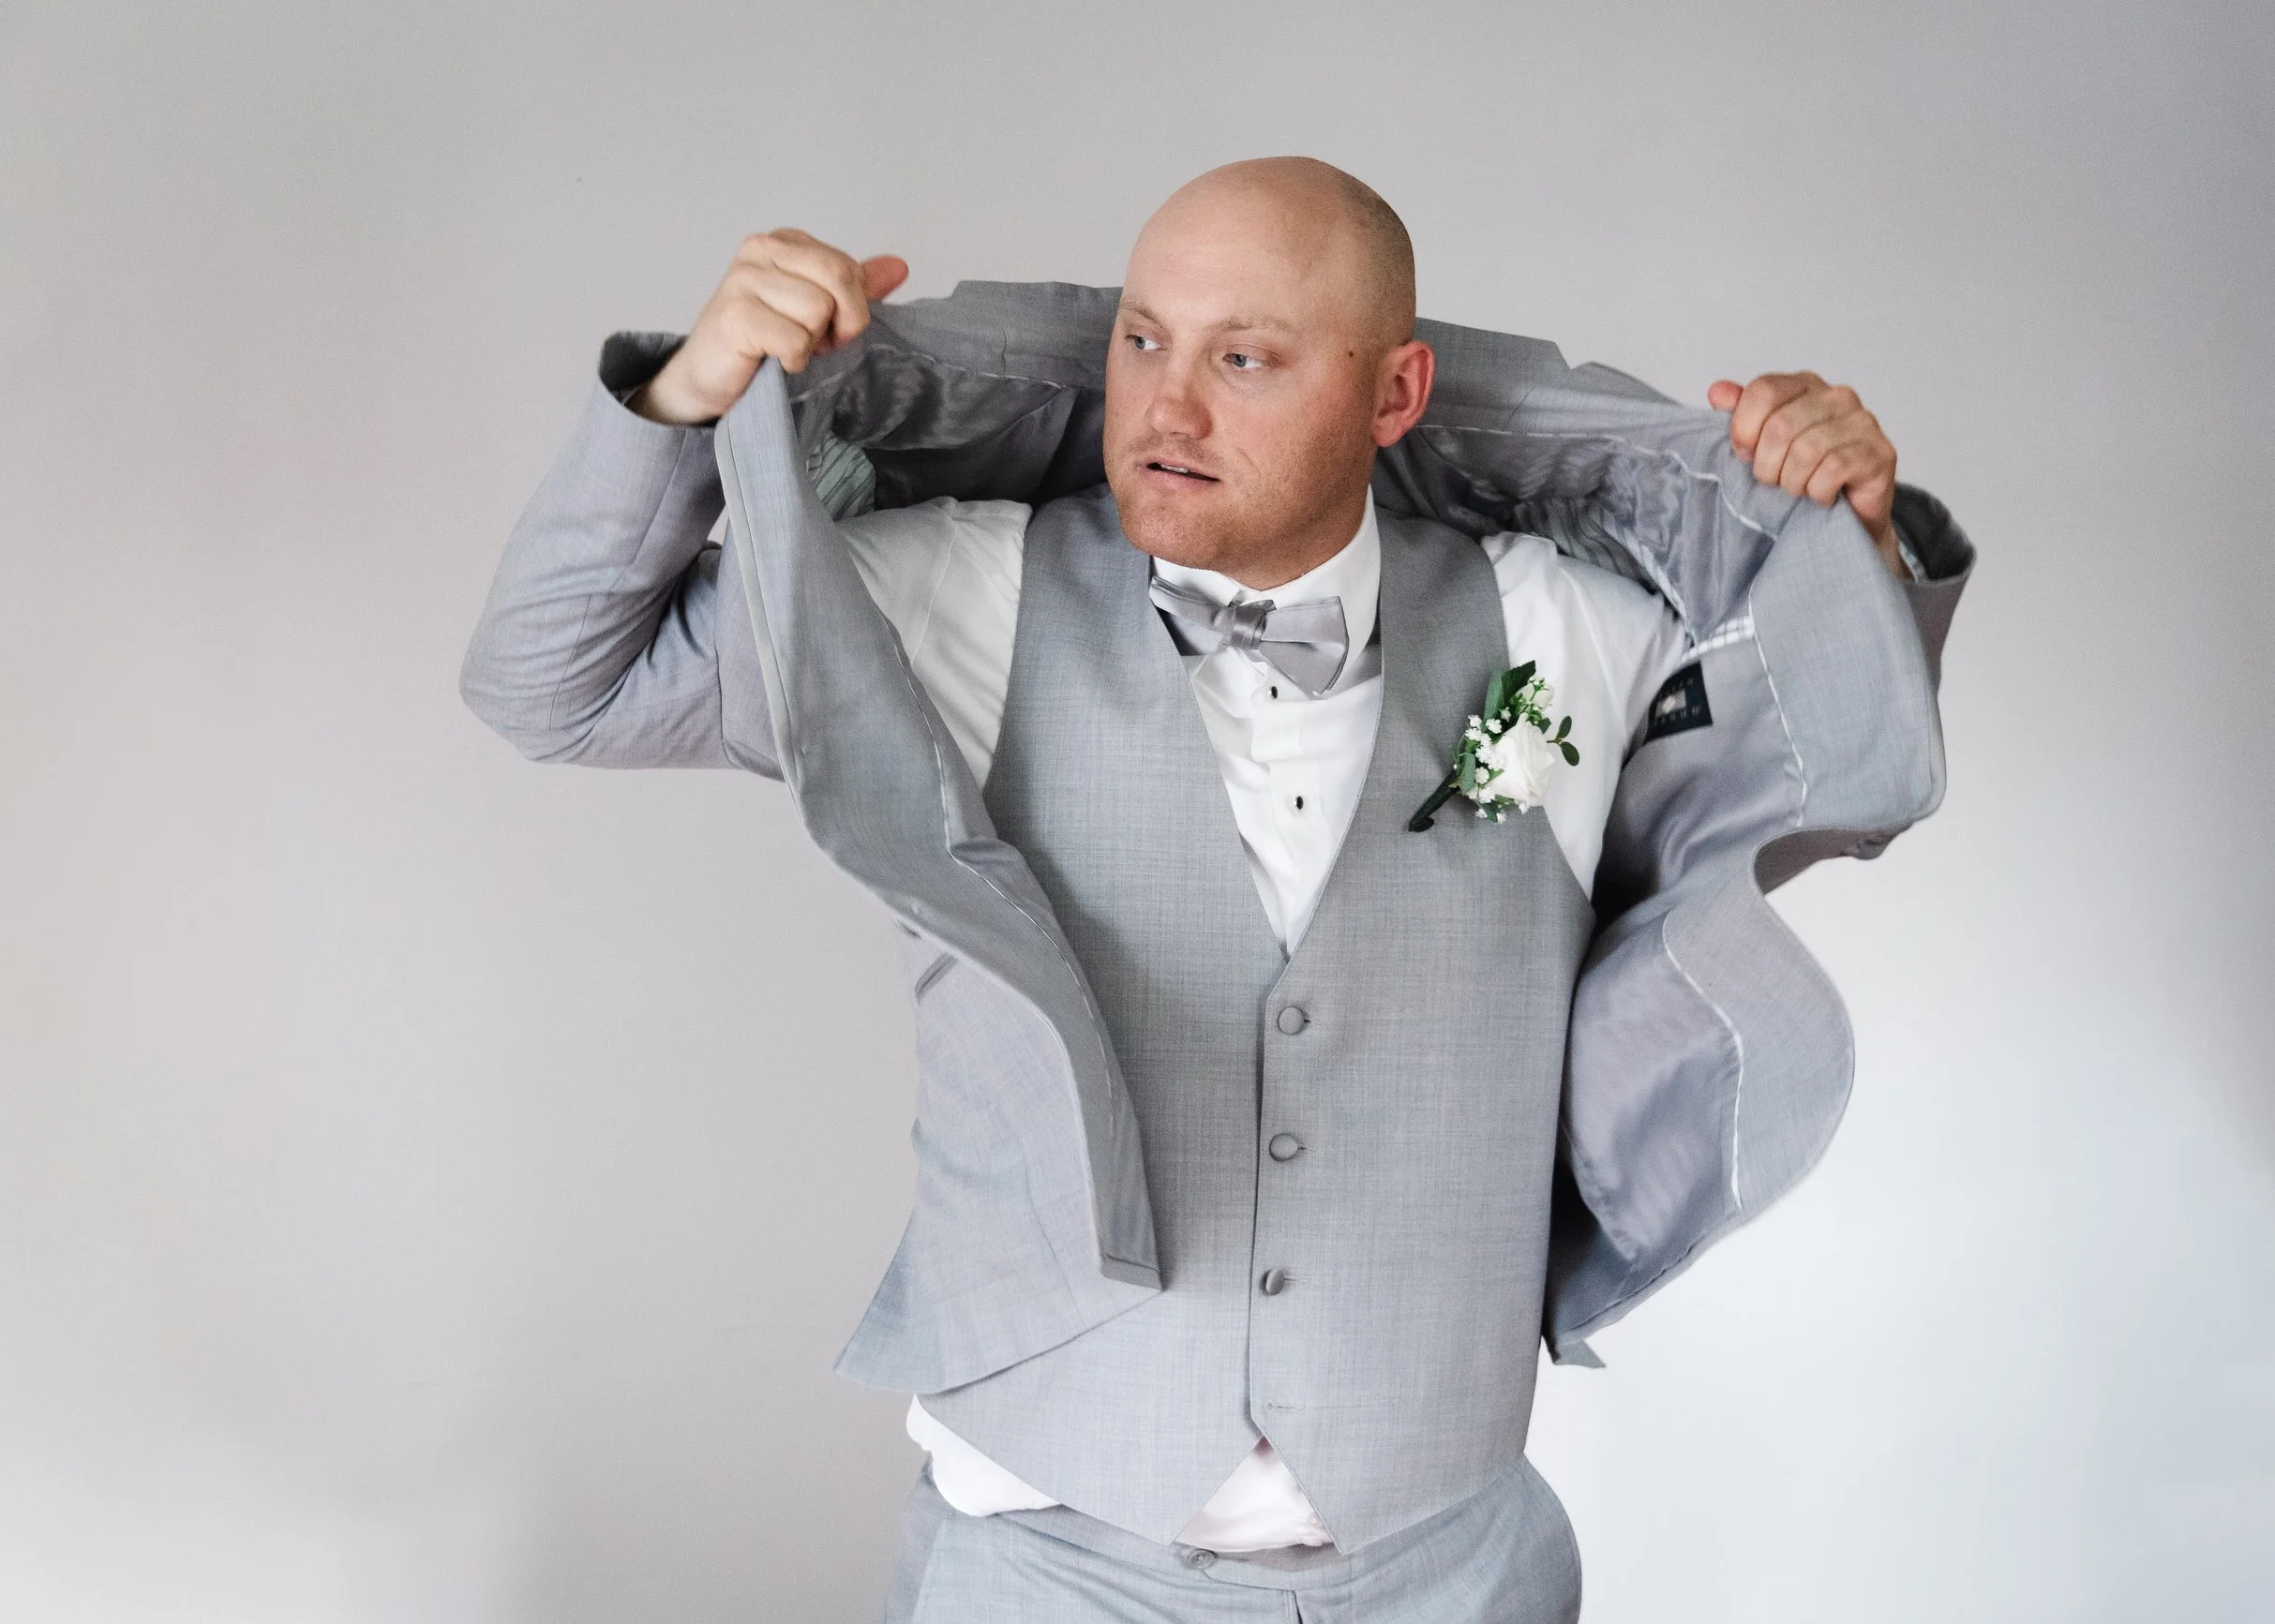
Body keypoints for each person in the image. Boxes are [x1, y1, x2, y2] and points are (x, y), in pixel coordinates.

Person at [462, 157, 1972, 1621]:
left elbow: (1832, 753)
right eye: (1137, 341)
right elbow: (553, 684)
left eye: (1244, 358)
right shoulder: (956, 593)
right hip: (1046, 1560)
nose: (1164, 410)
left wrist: (1850, 522)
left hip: (1452, 1566)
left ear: (1395, 398)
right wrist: (686, 402)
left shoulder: (1559, 625)